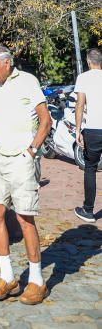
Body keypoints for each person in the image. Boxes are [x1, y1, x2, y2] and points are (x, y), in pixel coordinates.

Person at [0, 45, 51, 305]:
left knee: (25, 217)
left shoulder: (27, 82)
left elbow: (46, 120)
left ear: (7, 63)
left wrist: (32, 151)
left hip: (22, 157)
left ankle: (36, 281)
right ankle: (8, 276)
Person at [74, 47, 102, 223]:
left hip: (92, 128)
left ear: (88, 62)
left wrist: (77, 130)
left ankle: (88, 210)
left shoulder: (83, 78)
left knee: (90, 168)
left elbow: (79, 104)